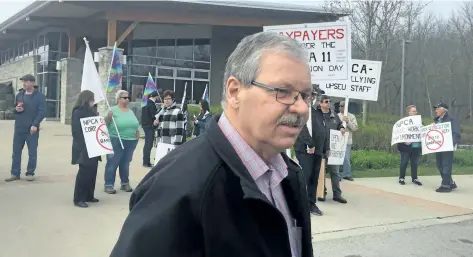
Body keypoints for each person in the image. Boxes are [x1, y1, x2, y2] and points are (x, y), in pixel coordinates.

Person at [110, 32, 314, 257]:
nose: (302, 108)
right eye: (282, 92)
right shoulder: (178, 187)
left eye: (305, 95)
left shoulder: (289, 175)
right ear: (235, 91)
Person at [6, 74, 46, 182]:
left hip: (31, 129)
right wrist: (16, 109)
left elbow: (42, 112)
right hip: (19, 128)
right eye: (23, 81)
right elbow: (13, 108)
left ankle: (30, 173)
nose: (24, 83)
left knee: (32, 152)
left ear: (32, 83)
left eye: (26, 81)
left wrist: (35, 124)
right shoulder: (20, 94)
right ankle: (15, 173)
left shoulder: (39, 96)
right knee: (16, 152)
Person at [104, 90, 140, 194]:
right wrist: (108, 117)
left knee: (125, 163)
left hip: (131, 141)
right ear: (118, 99)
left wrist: (136, 135)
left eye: (128, 97)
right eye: (124, 97)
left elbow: (135, 124)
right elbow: (105, 123)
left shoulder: (130, 111)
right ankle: (109, 185)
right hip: (116, 139)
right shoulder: (113, 110)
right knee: (113, 162)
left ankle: (125, 183)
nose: (127, 99)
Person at [313, 95, 347, 204]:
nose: (329, 103)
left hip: (332, 149)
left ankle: (337, 194)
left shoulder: (334, 116)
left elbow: (340, 125)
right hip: (320, 148)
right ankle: (322, 192)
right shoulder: (316, 115)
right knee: (320, 172)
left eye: (330, 101)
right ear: (320, 103)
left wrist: (342, 128)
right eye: (326, 101)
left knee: (335, 172)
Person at [71, 90, 101, 208]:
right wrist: (85, 145)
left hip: (94, 147)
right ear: (86, 99)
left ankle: (89, 195)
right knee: (84, 173)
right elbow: (76, 131)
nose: (93, 101)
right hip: (83, 148)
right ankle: (78, 198)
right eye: (92, 99)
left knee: (92, 172)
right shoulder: (78, 112)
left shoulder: (92, 111)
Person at [294, 92, 323, 216]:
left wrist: (324, 147)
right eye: (310, 95)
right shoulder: (298, 110)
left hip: (318, 150)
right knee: (306, 176)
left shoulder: (317, 111)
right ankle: (301, 205)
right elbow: (301, 128)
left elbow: (324, 129)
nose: (312, 97)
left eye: (314, 95)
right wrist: (310, 144)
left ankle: (311, 203)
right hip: (304, 148)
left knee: (314, 178)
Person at [433, 103, 460, 193]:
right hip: (439, 147)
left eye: (437, 109)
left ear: (444, 110)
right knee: (439, 165)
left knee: (446, 166)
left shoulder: (452, 120)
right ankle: (451, 183)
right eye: (435, 109)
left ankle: (445, 186)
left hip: (448, 147)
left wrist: (452, 143)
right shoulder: (436, 121)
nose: (436, 110)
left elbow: (456, 133)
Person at [397, 105, 423, 186]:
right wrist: (404, 141)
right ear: (409, 112)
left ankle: (414, 178)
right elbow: (399, 133)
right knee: (404, 162)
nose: (415, 112)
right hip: (405, 146)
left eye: (416, 111)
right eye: (413, 111)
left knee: (415, 163)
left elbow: (423, 131)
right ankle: (401, 178)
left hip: (416, 146)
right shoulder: (403, 122)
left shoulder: (419, 121)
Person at [338, 100, 358, 181]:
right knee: (338, 158)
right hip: (338, 140)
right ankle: (337, 175)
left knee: (346, 158)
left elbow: (355, 128)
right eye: (339, 106)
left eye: (342, 106)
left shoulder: (351, 116)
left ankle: (347, 174)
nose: (340, 107)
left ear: (346, 107)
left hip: (347, 140)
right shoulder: (337, 116)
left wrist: (348, 121)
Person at [141, 91, 159, 167]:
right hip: (150, 126)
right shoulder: (151, 104)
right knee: (149, 144)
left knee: (147, 144)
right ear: (156, 96)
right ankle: (146, 162)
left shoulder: (145, 103)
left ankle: (145, 161)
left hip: (145, 125)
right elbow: (154, 116)